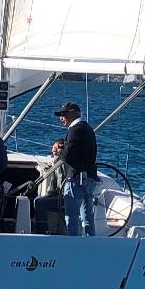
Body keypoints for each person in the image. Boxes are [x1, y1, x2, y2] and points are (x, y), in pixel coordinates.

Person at [55, 100, 98, 236]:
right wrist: (63, 145)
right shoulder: (87, 128)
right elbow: (79, 149)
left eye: (63, 114)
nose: (61, 118)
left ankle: (73, 245)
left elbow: (67, 155)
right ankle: (91, 244)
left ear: (72, 114)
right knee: (87, 217)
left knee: (72, 218)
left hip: (76, 180)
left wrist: (58, 151)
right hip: (89, 178)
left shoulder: (75, 130)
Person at [31, 139, 66, 234]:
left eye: (58, 148)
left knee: (39, 202)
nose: (54, 150)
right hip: (59, 196)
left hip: (64, 199)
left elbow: (62, 179)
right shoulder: (56, 163)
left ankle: (43, 231)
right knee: (39, 199)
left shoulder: (64, 163)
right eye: (54, 148)